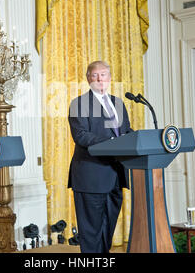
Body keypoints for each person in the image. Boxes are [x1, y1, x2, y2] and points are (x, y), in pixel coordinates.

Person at [68, 60, 133, 253]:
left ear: (110, 78)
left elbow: (126, 131)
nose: (99, 79)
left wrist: (138, 139)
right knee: (91, 232)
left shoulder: (117, 103)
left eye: (103, 75)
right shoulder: (79, 104)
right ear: (88, 78)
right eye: (95, 75)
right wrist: (112, 141)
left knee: (107, 229)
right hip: (91, 176)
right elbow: (81, 135)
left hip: (115, 175)